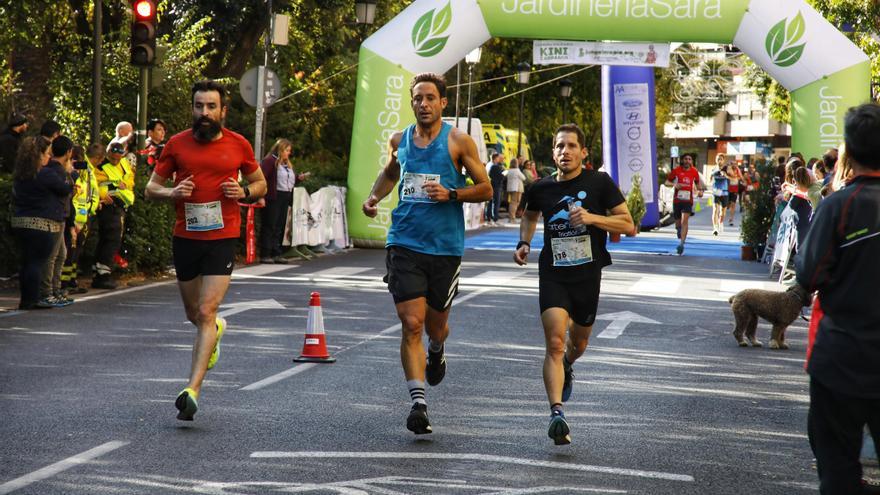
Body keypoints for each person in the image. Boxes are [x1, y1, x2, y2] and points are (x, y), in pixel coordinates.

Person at [361, 72, 492, 435]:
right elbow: (390, 174)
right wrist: (374, 197)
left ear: (442, 103)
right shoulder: (399, 139)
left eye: (430, 98)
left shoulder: (458, 142)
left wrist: (451, 194)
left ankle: (437, 348)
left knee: (436, 325)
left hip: (445, 247)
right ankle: (418, 403)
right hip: (404, 241)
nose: (423, 104)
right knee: (411, 323)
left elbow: (486, 189)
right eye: (417, 98)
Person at [146, 79, 266, 421]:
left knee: (206, 311)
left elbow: (261, 184)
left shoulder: (238, 144)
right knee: (193, 314)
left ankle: (192, 390)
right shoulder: (177, 144)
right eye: (199, 106)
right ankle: (216, 331)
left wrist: (242, 190)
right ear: (192, 108)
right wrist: (172, 193)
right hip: (186, 237)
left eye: (211, 107)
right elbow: (150, 188)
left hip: (222, 236)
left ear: (223, 111)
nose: (204, 113)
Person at [513, 123, 633, 445]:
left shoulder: (599, 183)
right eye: (559, 146)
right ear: (553, 152)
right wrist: (524, 242)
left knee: (577, 344)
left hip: (587, 275)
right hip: (553, 272)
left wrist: (592, 218)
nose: (564, 152)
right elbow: (530, 214)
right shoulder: (540, 187)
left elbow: (628, 224)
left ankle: (568, 363)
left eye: (570, 146)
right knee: (553, 341)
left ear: (583, 152)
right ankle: (556, 413)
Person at [796, 102, 880, 494]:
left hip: (840, 357)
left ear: (848, 149)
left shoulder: (837, 205)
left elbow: (808, 274)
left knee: (838, 469)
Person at [11, 136, 72, 310]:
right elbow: (65, 189)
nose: (48, 158)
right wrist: (68, 173)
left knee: (26, 262)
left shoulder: (21, 173)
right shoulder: (45, 173)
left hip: (20, 221)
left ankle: (26, 298)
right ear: (38, 155)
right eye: (46, 154)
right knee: (36, 263)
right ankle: (33, 298)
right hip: (41, 223)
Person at [258, 138, 310, 263]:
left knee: (279, 226)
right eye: (287, 150)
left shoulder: (286, 164)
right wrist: (260, 196)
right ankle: (265, 254)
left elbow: (287, 181)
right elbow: (261, 178)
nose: (289, 153)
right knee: (270, 225)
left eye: (289, 151)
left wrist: (299, 178)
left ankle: (276, 253)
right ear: (280, 150)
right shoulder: (270, 161)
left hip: (285, 196)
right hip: (273, 197)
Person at [92, 141, 135, 290]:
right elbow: (94, 184)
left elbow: (130, 178)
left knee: (111, 239)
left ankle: (101, 271)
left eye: (118, 157)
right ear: (108, 153)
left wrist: (125, 184)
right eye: (113, 157)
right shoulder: (101, 165)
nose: (115, 160)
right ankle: (102, 275)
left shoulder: (124, 163)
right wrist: (104, 194)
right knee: (111, 239)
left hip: (120, 205)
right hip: (108, 205)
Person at [39, 136, 76, 307]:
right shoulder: (55, 171)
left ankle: (55, 289)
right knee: (52, 256)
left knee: (61, 254)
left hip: (61, 216)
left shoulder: (59, 170)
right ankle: (46, 292)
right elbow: (64, 191)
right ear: (68, 152)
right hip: (54, 216)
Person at [61, 144, 101, 295]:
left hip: (83, 217)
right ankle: (64, 283)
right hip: (73, 218)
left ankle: (71, 280)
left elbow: (91, 193)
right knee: (69, 252)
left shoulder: (86, 173)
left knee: (76, 252)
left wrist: (90, 210)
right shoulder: (67, 174)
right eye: (74, 160)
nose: (77, 163)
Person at [664, 153, 704, 255]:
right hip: (677, 200)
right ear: (682, 161)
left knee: (684, 221)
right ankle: (678, 230)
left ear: (691, 161)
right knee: (678, 223)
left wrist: (700, 191)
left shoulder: (694, 171)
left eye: (689, 159)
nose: (687, 161)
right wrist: (675, 185)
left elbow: (698, 184)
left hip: (688, 200)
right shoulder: (676, 171)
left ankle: (681, 244)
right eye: (685, 159)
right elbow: (667, 182)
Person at [710, 154, 730, 236]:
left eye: (721, 159)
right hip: (716, 192)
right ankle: (715, 228)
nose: (719, 161)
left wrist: (726, 175)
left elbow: (732, 178)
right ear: (716, 160)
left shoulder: (727, 168)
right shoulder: (714, 168)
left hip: (724, 192)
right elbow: (710, 179)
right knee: (715, 210)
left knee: (723, 212)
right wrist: (713, 175)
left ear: (723, 160)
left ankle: (720, 222)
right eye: (718, 159)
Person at [486, 152, 506, 225]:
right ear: (495, 158)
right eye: (498, 158)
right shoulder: (492, 166)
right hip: (494, 186)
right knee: (494, 202)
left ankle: (492, 218)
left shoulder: (493, 165)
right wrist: (503, 174)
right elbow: (496, 176)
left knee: (493, 202)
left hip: (494, 185)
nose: (499, 159)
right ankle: (493, 218)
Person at [505, 159, 527, 223]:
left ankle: (511, 217)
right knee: (515, 203)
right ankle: (512, 218)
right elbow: (524, 178)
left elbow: (504, 175)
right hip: (517, 188)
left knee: (512, 203)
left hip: (510, 188)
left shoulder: (509, 170)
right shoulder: (517, 170)